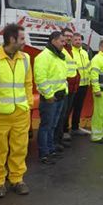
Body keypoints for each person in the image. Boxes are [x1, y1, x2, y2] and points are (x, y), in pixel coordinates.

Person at [0, 24, 33, 197]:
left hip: (21, 112)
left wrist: (28, 103)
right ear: (12, 39)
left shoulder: (26, 58)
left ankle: (17, 179)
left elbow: (28, 83)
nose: (25, 42)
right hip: (0, 113)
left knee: (20, 148)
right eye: (22, 38)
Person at [34, 31, 68, 165]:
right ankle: (44, 153)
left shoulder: (58, 56)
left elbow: (61, 77)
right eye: (61, 41)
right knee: (46, 126)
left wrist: (64, 91)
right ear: (53, 41)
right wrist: (49, 96)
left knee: (53, 125)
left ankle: (51, 150)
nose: (63, 44)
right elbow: (41, 79)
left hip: (59, 97)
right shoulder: (43, 57)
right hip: (50, 99)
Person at [55, 28, 79, 151]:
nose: (69, 38)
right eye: (66, 36)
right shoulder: (62, 50)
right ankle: (57, 140)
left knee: (65, 115)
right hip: (64, 88)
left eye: (71, 36)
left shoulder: (70, 50)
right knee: (60, 116)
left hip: (72, 88)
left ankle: (60, 138)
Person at [67, 32, 91, 136]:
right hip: (74, 85)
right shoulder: (70, 53)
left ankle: (75, 127)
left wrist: (89, 80)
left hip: (84, 84)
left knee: (78, 107)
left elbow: (88, 67)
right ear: (72, 41)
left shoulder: (85, 52)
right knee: (69, 108)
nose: (78, 41)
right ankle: (65, 129)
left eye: (79, 39)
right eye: (75, 40)